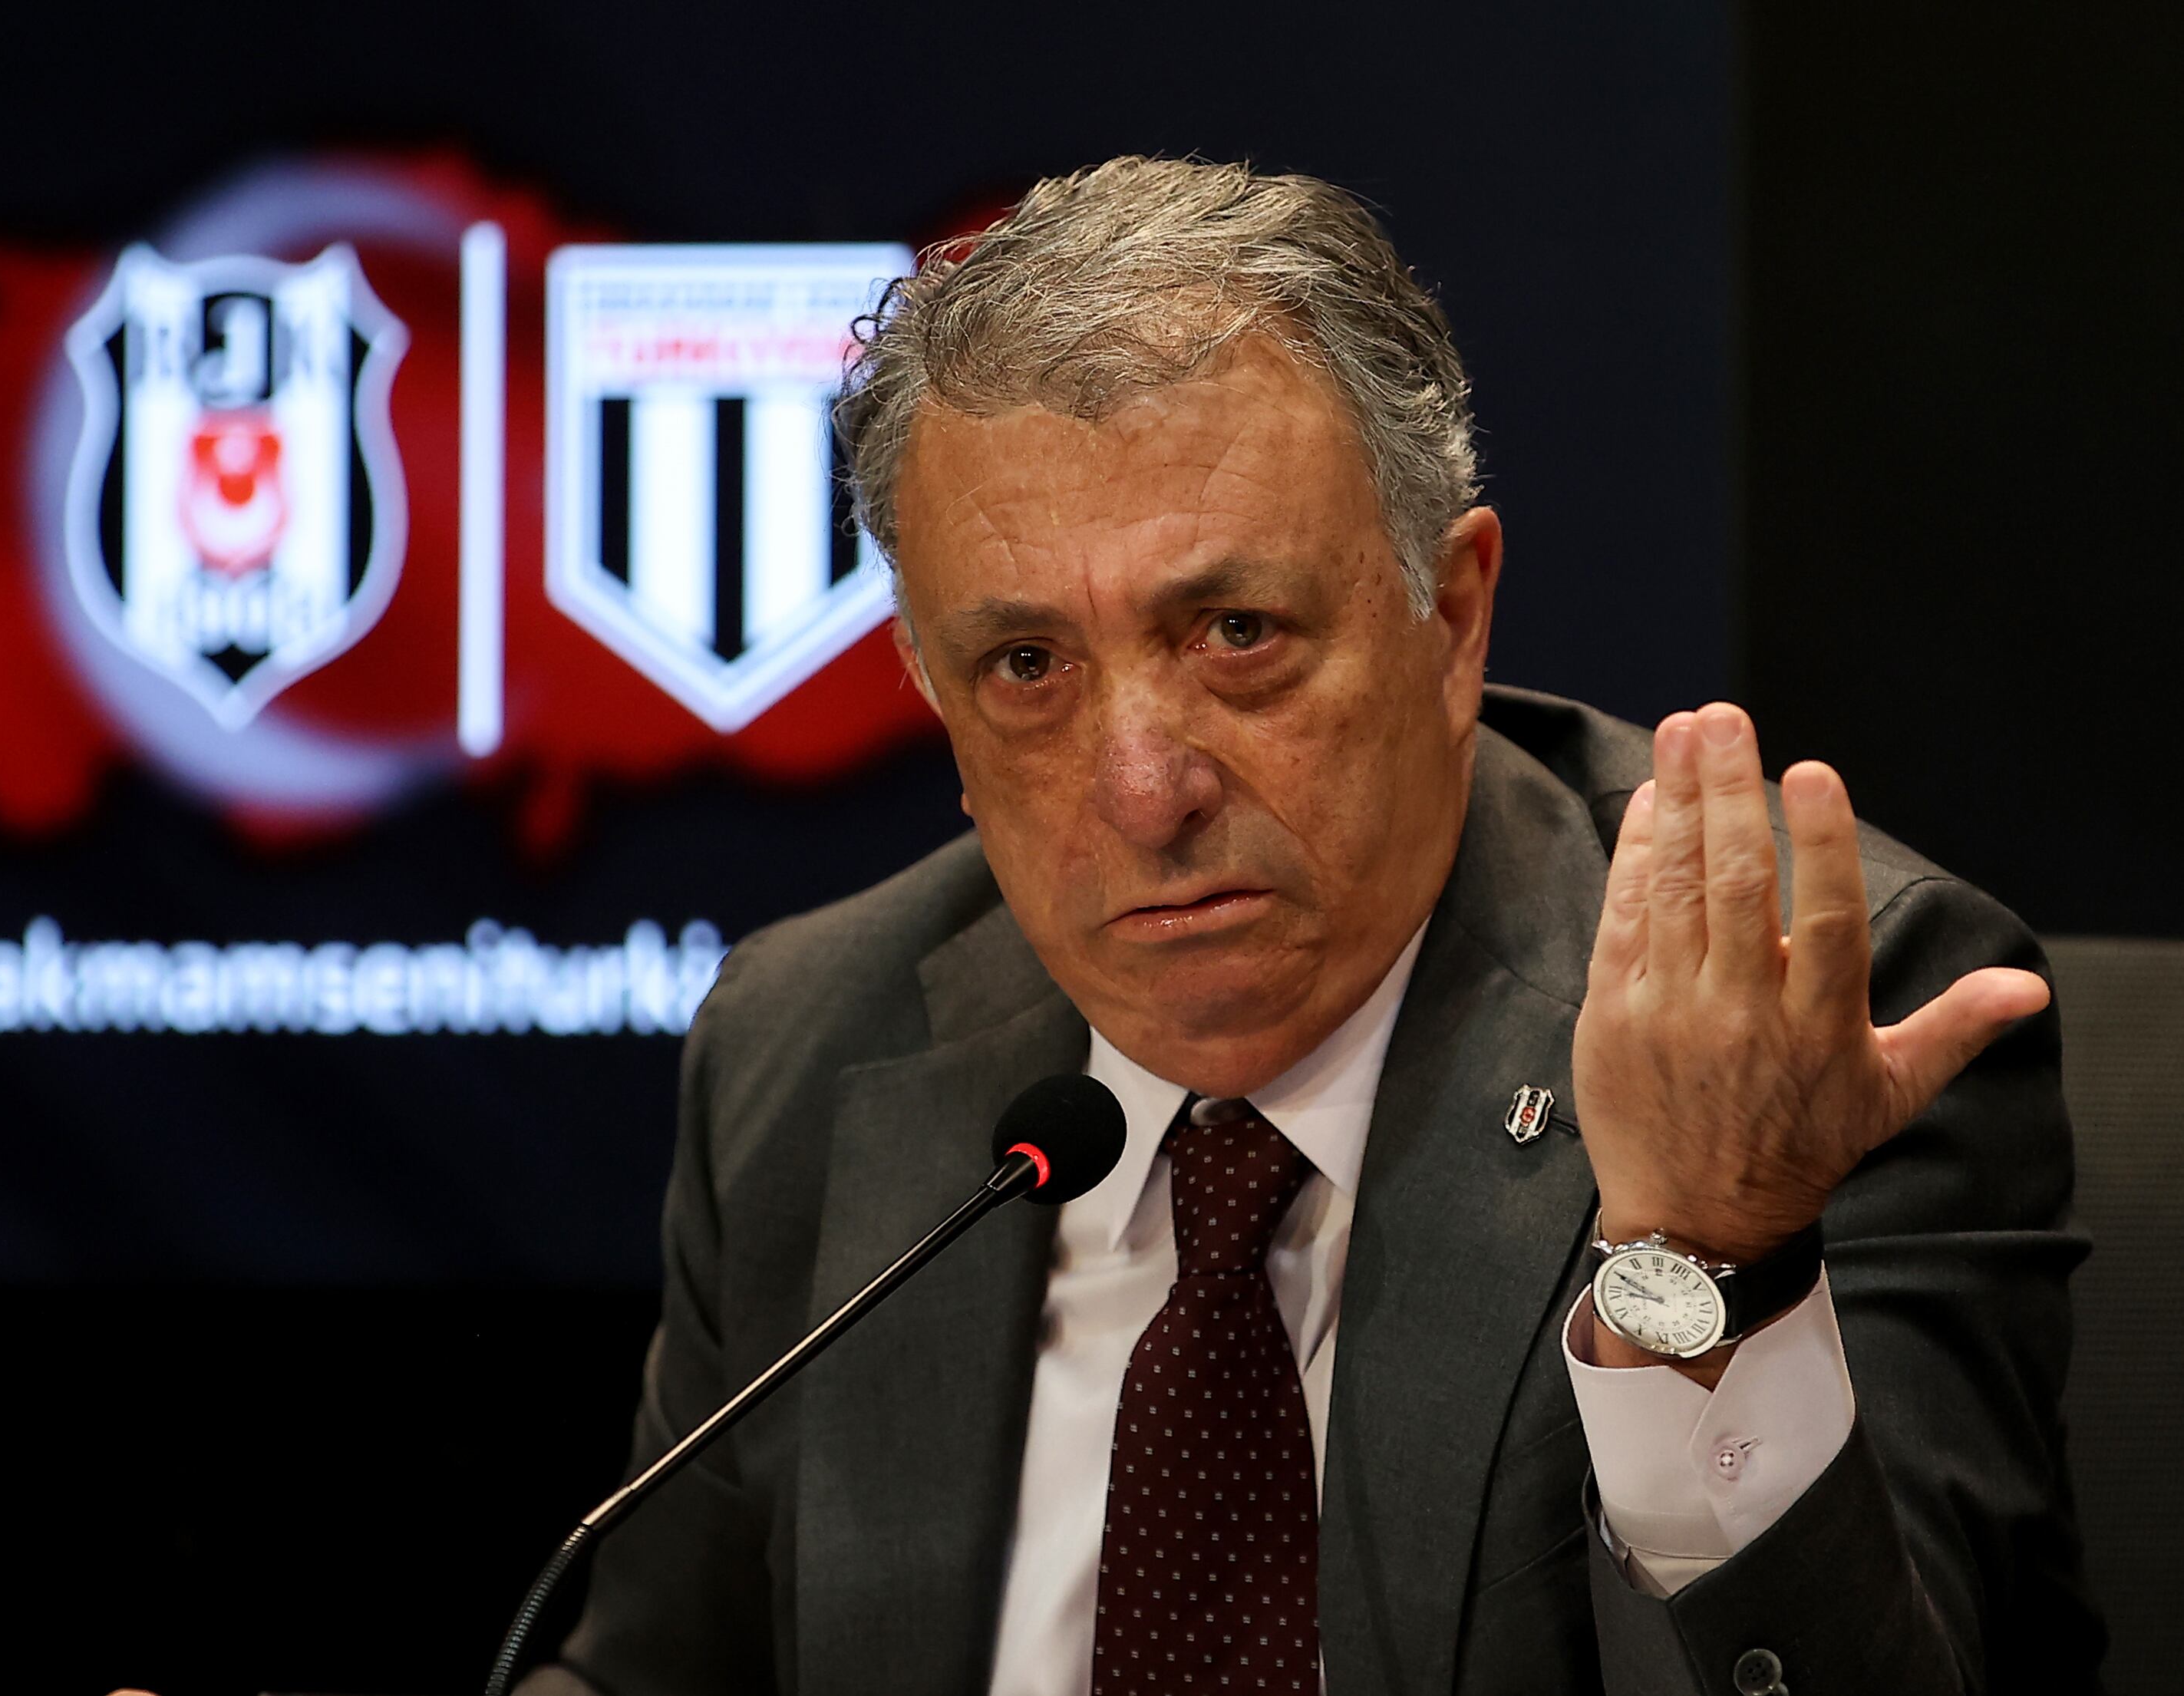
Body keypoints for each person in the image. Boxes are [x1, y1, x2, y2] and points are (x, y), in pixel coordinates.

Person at [523, 157, 2102, 1694]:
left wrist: (1697, 1255)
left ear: (1450, 615)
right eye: (1025, 667)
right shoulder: (810, 1041)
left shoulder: (1792, 1021)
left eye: (1235, 633)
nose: (1143, 792)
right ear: (934, 696)